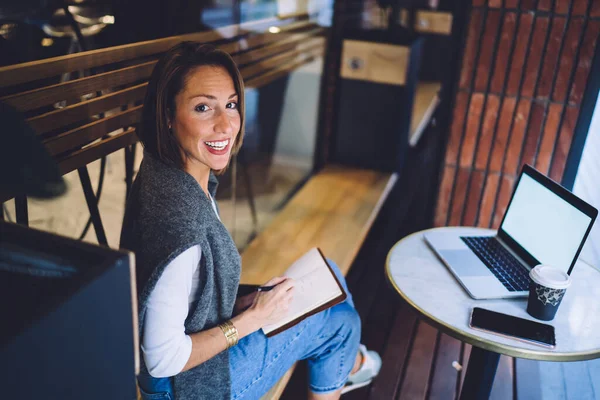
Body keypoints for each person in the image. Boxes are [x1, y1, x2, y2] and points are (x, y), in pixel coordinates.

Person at [120, 42, 381, 400]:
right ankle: (351, 363)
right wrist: (250, 320)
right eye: (202, 108)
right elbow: (163, 359)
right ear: (167, 115)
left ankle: (351, 362)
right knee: (340, 324)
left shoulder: (166, 174)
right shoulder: (181, 224)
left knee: (330, 275)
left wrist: (246, 303)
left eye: (230, 104)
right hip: (188, 389)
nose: (225, 124)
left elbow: (187, 299)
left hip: (189, 372)